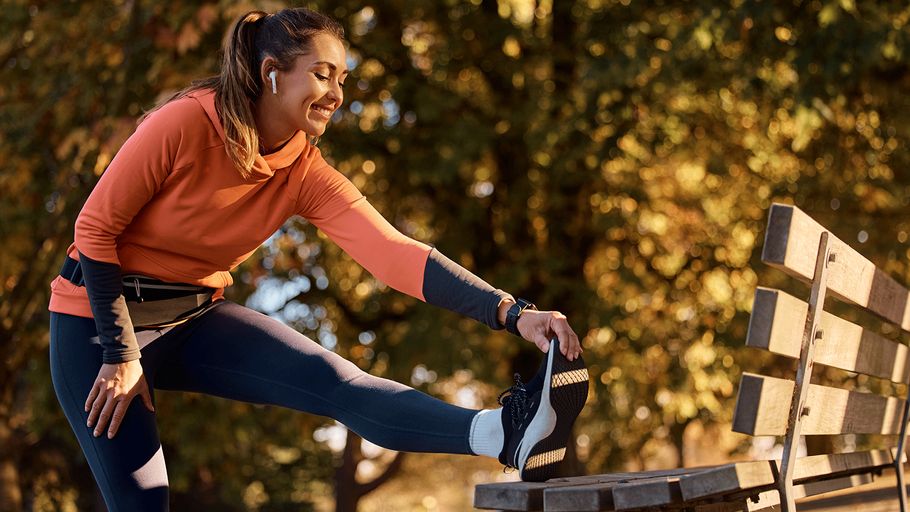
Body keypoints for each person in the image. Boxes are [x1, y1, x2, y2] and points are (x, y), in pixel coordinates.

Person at [48, 8, 589, 510]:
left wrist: (515, 313)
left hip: (190, 318)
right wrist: (122, 355)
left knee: (340, 384)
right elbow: (94, 229)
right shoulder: (185, 123)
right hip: (96, 327)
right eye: (323, 74)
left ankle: (506, 433)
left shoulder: (304, 171)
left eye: (343, 81)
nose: (336, 93)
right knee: (145, 503)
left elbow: (395, 254)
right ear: (272, 73)